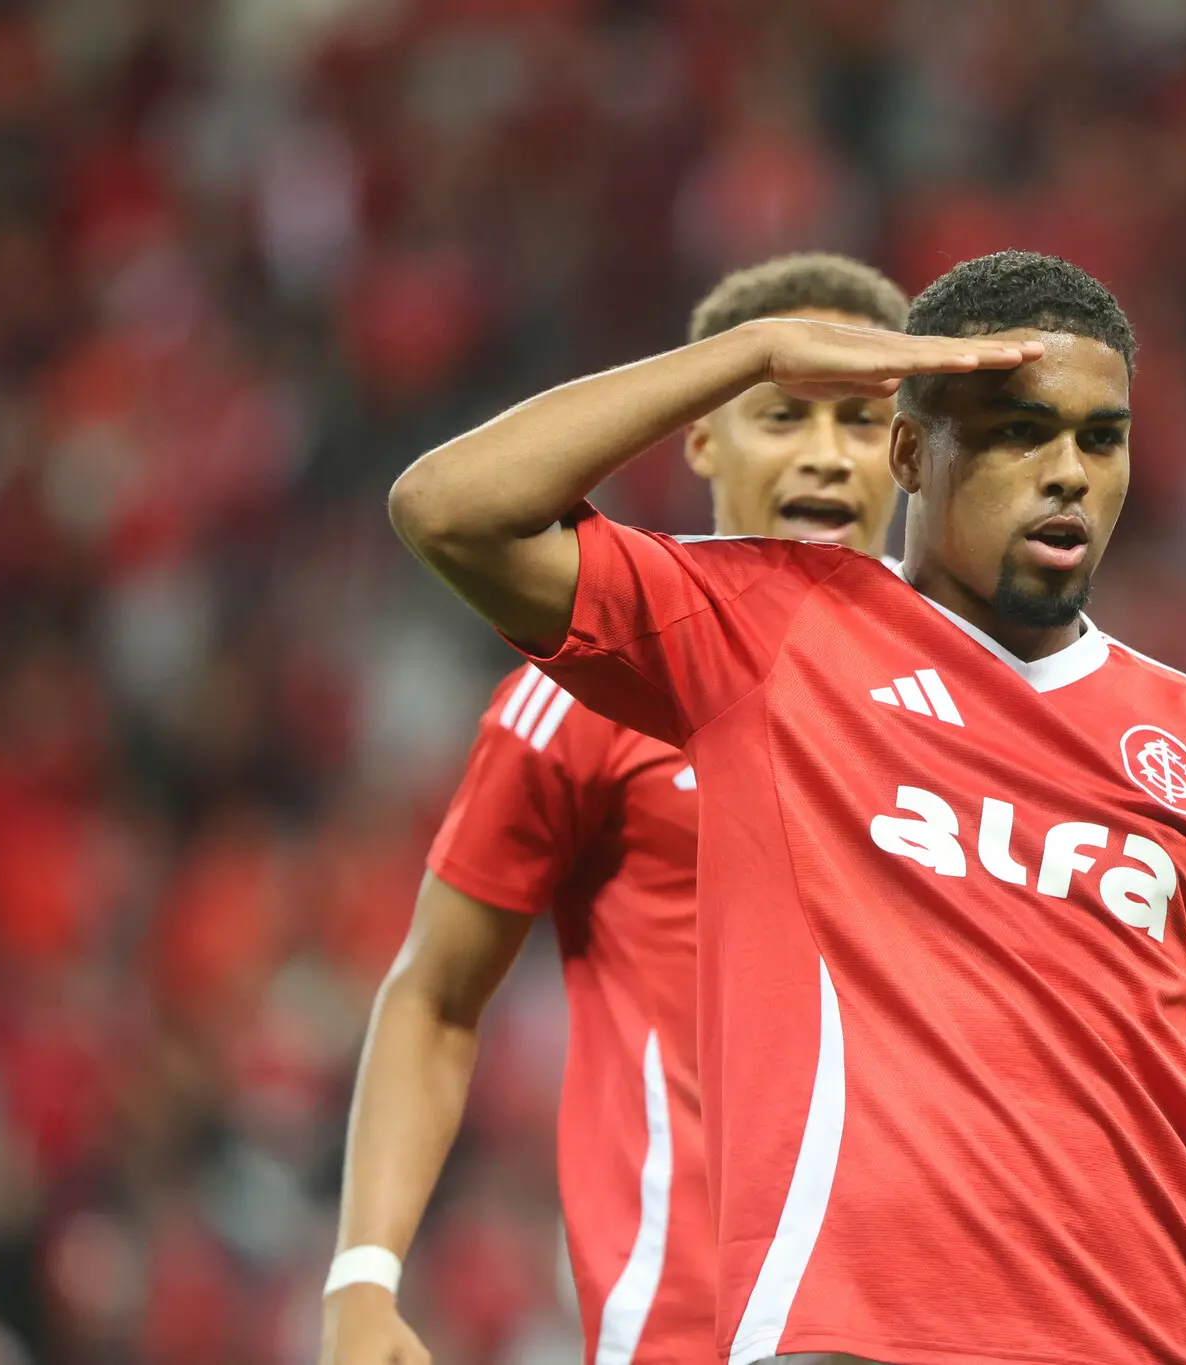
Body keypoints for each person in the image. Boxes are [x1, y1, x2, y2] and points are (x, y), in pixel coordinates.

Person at [385, 250, 1186, 1365]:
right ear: (908, 453)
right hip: (848, 1339)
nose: (1068, 471)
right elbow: (447, 512)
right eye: (1017, 431)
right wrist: (753, 351)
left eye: (1100, 437)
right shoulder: (770, 630)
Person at [319, 254, 913, 1365]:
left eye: (860, 421)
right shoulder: (592, 685)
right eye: (780, 412)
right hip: (694, 1321)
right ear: (699, 438)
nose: (825, 456)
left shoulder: (985, 697)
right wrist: (362, 1275)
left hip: (934, 1321)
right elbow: (435, 997)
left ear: (912, 450)